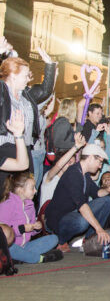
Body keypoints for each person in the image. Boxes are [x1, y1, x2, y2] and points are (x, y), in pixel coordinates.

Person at [0, 40, 56, 189]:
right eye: (25, 75)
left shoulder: (26, 96)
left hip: (26, 150)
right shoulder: (2, 93)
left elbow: (45, 90)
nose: (29, 78)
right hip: (6, 150)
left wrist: (50, 65)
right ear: (12, 75)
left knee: (25, 197)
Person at [44, 143, 110, 252]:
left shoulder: (85, 174)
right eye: (99, 162)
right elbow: (82, 206)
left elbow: (96, 193)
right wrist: (99, 229)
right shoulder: (73, 173)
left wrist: (108, 190)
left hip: (73, 214)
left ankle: (88, 240)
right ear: (91, 158)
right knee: (82, 221)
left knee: (107, 201)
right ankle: (61, 241)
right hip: (58, 219)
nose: (100, 166)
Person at [0, 172, 62, 263]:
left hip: (25, 245)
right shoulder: (7, 205)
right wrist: (22, 228)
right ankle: (39, 259)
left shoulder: (30, 205)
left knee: (54, 239)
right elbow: (2, 234)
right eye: (32, 188)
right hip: (10, 246)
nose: (35, 191)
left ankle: (21, 257)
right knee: (11, 248)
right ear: (20, 190)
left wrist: (36, 228)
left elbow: (31, 232)